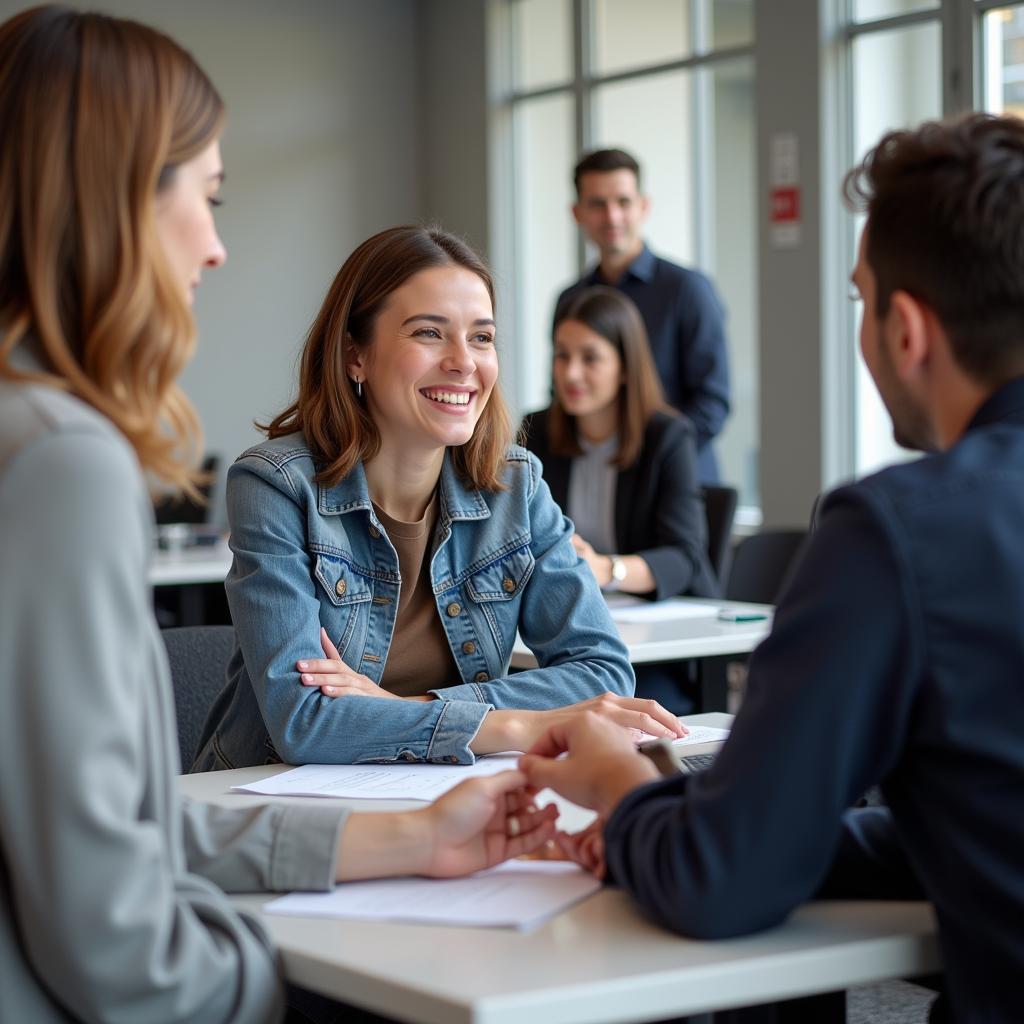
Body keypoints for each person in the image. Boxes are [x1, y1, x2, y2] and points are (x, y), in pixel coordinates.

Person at [0, 8, 557, 1023]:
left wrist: (413, 837)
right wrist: (299, 992)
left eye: (479, 335)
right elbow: (112, 938)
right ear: (113, 199)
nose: (215, 248)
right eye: (204, 197)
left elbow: (113, 829)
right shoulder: (61, 459)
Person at [521, 113, 1024, 1023]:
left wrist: (622, 791)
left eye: (860, 301)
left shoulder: (897, 533)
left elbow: (719, 881)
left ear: (905, 329)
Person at [193, 226, 682, 774]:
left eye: (481, 337)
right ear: (356, 355)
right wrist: (514, 723)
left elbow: (603, 672)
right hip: (269, 798)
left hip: (436, 788)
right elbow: (303, 724)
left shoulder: (516, 485)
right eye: (429, 333)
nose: (464, 362)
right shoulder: (276, 485)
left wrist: (413, 709)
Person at [522, 285, 717, 602]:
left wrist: (605, 569)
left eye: (590, 358)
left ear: (625, 367)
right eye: (562, 355)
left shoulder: (668, 438)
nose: (571, 373)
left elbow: (684, 559)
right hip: (570, 609)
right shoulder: (537, 430)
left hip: (662, 618)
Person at [554, 148, 730, 483]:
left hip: (678, 485)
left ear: (643, 206)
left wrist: (654, 462)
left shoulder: (688, 290)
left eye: (623, 202)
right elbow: (563, 396)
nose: (612, 217)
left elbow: (712, 404)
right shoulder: (570, 300)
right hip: (596, 482)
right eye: (597, 204)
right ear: (577, 213)